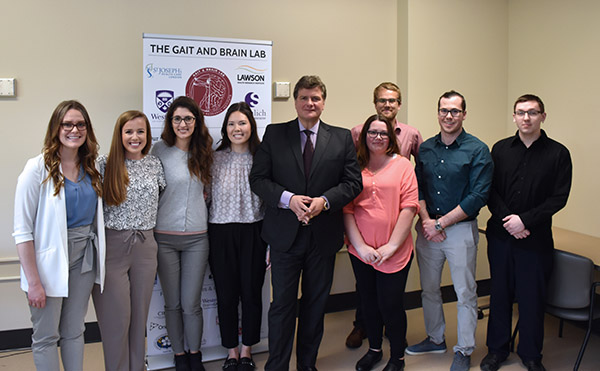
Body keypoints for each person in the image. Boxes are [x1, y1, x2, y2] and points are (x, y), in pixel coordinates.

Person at [250, 75, 363, 371]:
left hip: (322, 237)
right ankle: (277, 365)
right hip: (285, 237)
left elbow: (353, 183)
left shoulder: (341, 138)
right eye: (304, 97)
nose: (309, 103)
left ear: (323, 102)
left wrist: (323, 202)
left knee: (314, 306)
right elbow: (258, 179)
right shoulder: (275, 134)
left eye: (315, 98)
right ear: (295, 101)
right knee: (282, 307)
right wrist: (289, 199)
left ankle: (307, 365)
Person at [480, 95, 572, 371]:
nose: (526, 118)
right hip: (500, 236)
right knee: (499, 295)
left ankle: (531, 354)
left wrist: (525, 221)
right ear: (514, 117)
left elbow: (559, 197)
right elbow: (489, 189)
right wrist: (509, 221)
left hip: (536, 239)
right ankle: (497, 350)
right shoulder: (500, 149)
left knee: (532, 299)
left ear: (543, 116)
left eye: (532, 112)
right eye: (521, 112)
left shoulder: (558, 153)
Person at [13, 100, 105, 371]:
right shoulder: (36, 169)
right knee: (46, 336)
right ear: (56, 128)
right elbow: (22, 230)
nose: (74, 129)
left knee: (75, 331)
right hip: (48, 261)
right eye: (67, 123)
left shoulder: (93, 167)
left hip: (83, 259)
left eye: (80, 124)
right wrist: (34, 282)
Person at [406, 91, 493, 371]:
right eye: (444, 110)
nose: (448, 116)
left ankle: (464, 349)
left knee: (465, 292)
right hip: (428, 229)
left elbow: (478, 195)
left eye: (455, 111)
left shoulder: (478, 150)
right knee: (429, 289)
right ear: (438, 112)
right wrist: (428, 220)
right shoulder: (427, 148)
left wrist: (442, 224)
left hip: (459, 230)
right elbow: (416, 187)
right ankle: (435, 338)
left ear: (464, 114)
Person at [347, 81, 423, 349]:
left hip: (397, 222)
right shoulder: (357, 132)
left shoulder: (411, 135)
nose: (387, 105)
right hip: (363, 233)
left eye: (392, 101)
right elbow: (350, 176)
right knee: (366, 291)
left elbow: (420, 174)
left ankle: (393, 340)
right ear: (375, 103)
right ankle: (364, 327)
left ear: (399, 104)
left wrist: (421, 212)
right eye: (382, 100)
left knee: (390, 297)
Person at [92, 110, 166, 371]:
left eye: (140, 131)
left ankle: (138, 367)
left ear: (147, 135)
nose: (135, 137)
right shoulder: (105, 164)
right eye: (129, 131)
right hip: (114, 247)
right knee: (117, 320)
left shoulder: (154, 164)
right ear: (120, 134)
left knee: (139, 319)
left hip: (146, 247)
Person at [151, 96, 213, 371]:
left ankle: (195, 354)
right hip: (164, 237)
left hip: (197, 239)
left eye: (188, 118)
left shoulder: (205, 151)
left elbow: (210, 194)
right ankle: (178, 356)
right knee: (173, 304)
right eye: (177, 118)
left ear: (196, 121)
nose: (183, 123)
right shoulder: (158, 151)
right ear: (170, 122)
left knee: (191, 303)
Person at [208, 102, 267, 371]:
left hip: (254, 232)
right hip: (220, 232)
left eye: (242, 123)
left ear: (251, 126)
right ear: (225, 128)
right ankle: (231, 351)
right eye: (231, 124)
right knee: (226, 295)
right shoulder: (214, 158)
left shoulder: (263, 158)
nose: (237, 129)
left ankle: (247, 351)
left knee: (252, 294)